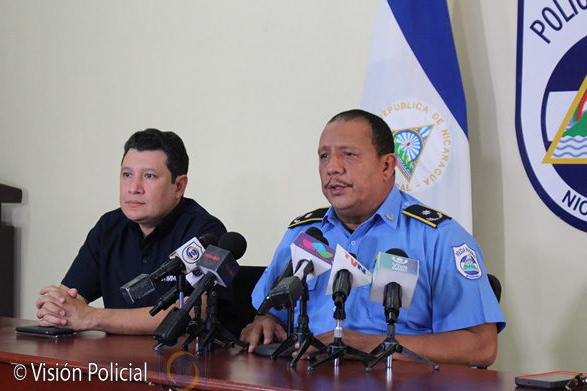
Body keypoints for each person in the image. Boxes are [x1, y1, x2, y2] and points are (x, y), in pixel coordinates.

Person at [241, 109, 505, 367]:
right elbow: (269, 313)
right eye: (324, 156)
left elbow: (481, 346)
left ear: (387, 165)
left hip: (396, 387)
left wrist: (371, 345)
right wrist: (265, 323)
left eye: (348, 154)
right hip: (304, 381)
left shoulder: (439, 238)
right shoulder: (304, 234)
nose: (332, 168)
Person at [36, 129, 226, 334]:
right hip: (113, 354)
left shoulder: (206, 232)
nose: (134, 188)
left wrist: (91, 317)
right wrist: (56, 308)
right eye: (127, 175)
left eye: (149, 176)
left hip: (180, 353)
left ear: (179, 186)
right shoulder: (108, 227)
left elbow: (198, 309)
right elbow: (69, 298)